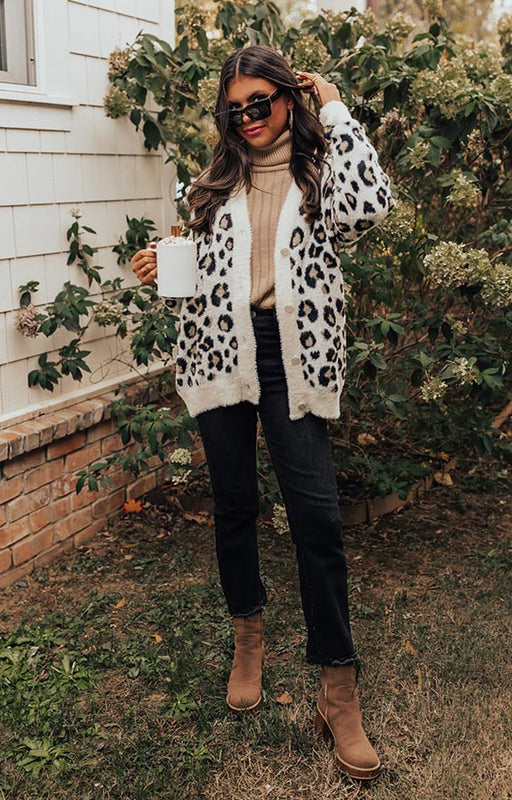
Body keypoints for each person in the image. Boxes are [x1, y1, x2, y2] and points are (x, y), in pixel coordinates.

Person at [132, 44, 393, 780]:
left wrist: (335, 106)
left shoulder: (321, 174)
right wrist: (160, 266)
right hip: (221, 356)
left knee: (317, 521)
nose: (246, 118)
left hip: (293, 365)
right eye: (233, 107)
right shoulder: (210, 184)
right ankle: (248, 639)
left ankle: (337, 689)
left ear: (288, 99)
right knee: (234, 507)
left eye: (260, 102)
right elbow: (198, 278)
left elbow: (371, 205)